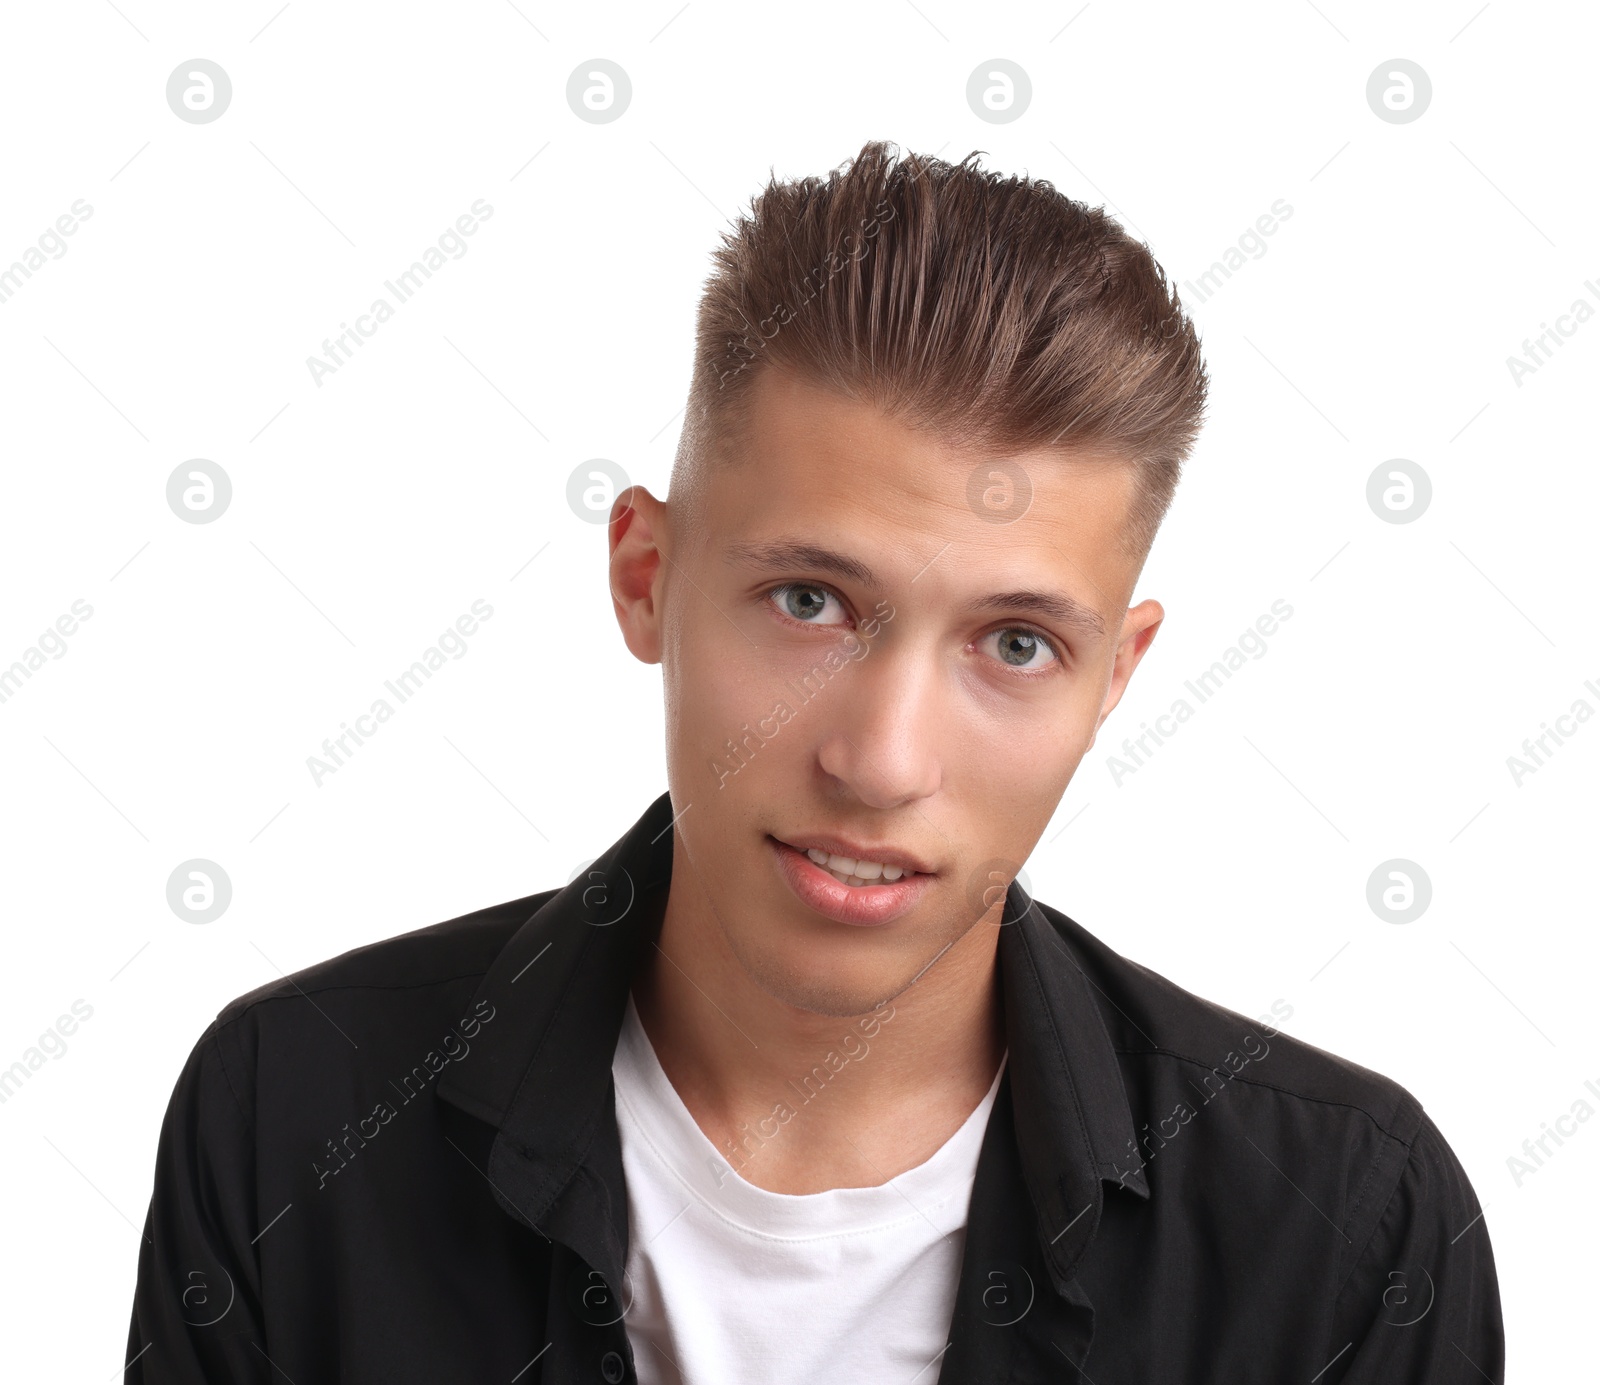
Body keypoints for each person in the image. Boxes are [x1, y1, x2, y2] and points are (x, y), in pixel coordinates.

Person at [126, 141, 1502, 1383]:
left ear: (1113, 680)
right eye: (811, 604)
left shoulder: (1347, 1232)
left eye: (1015, 643)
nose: (883, 760)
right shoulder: (290, 1121)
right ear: (646, 577)